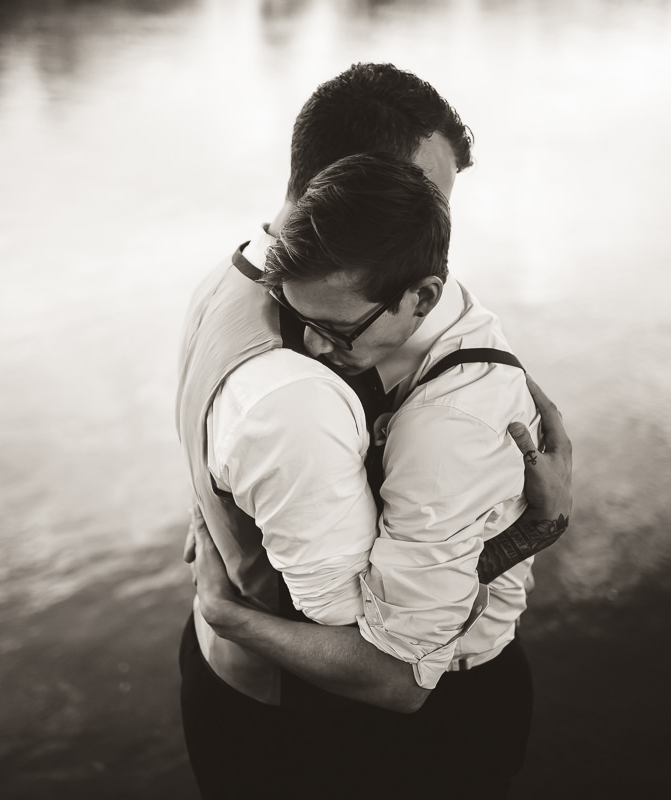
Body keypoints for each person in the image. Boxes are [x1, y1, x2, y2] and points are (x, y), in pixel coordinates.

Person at [174, 64, 572, 799]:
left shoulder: (229, 282)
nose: (438, 238)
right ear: (347, 189)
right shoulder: (302, 396)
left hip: (230, 684)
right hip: (325, 728)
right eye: (422, 203)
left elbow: (222, 449)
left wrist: (215, 515)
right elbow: (393, 673)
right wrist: (533, 532)